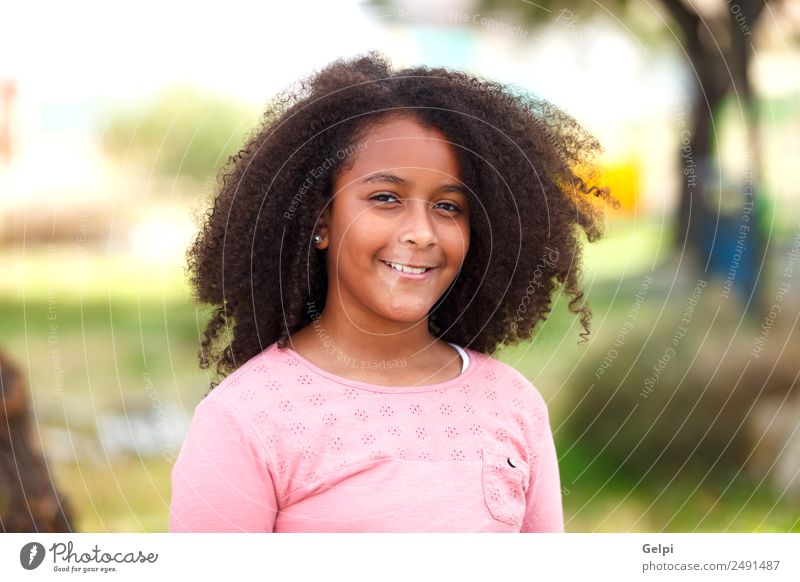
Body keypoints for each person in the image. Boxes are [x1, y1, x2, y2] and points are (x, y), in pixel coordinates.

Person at [169, 52, 616, 532]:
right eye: (386, 198)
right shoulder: (247, 418)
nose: (422, 233)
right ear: (320, 220)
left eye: (448, 206)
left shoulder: (513, 404)